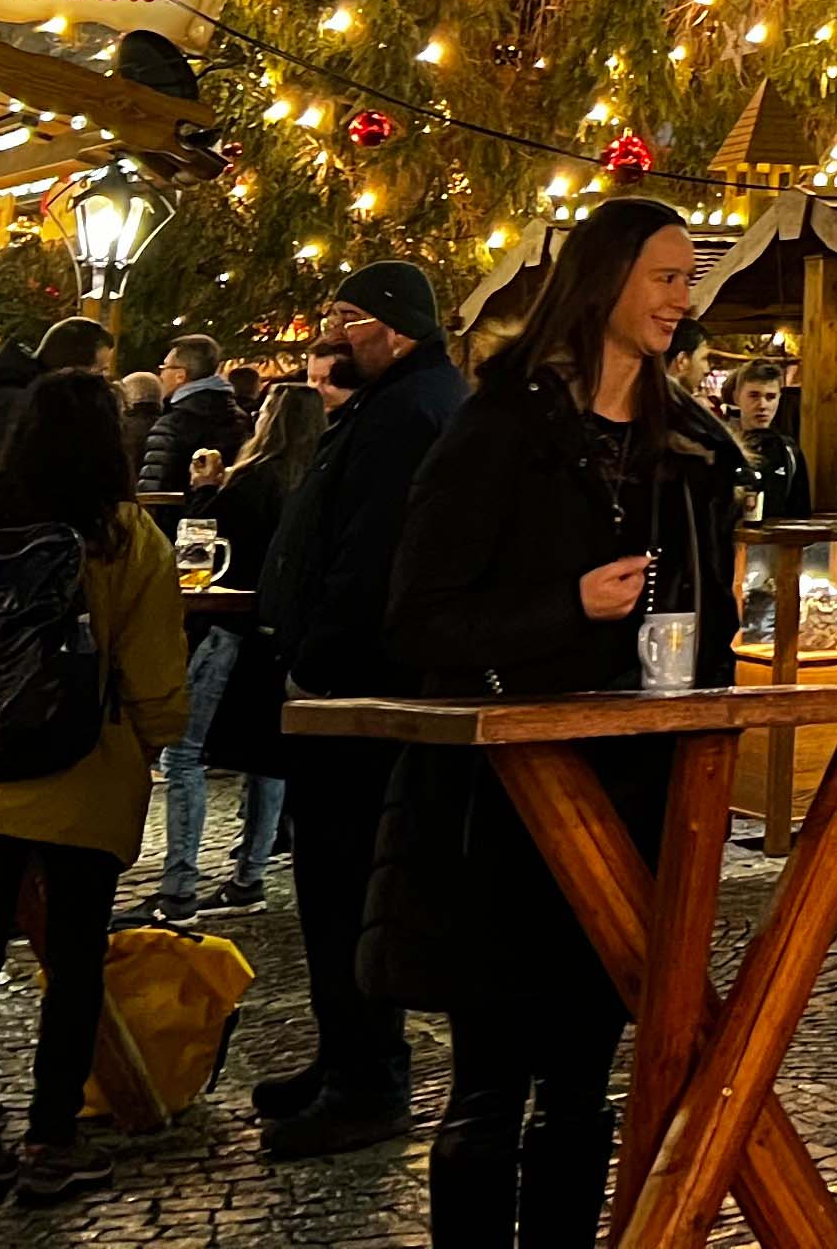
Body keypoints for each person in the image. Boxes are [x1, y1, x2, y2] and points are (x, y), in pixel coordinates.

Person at [369, 197, 735, 1249]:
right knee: (487, 1089)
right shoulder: (500, 430)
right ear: (607, 279)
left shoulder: (689, 451)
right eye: (667, 276)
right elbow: (419, 618)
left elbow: (708, 629)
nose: (683, 298)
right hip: (500, 814)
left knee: (581, 1088)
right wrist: (566, 607)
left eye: (689, 279)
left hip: (632, 799)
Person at [0, 367, 189, 1207]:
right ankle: (50, 1142)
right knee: (72, 965)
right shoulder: (128, 538)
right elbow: (155, 677)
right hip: (83, 778)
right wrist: (148, 743)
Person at [247, 259, 467, 1159]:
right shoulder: (392, 404)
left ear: (394, 326)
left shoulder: (410, 414)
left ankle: (366, 1077)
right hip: (350, 687)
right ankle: (345, 1052)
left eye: (347, 317)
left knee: (345, 885)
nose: (333, 334)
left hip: (360, 696)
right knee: (330, 884)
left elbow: (372, 557)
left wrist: (317, 664)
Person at [150, 377, 306, 921]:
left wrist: (203, 490)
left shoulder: (253, 480)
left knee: (184, 753)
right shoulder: (312, 484)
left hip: (227, 630)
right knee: (267, 759)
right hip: (279, 635)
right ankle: (250, 875)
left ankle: (178, 886)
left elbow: (199, 546)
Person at [0, 316, 111, 510]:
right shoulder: (25, 403)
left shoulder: (6, 391)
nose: (104, 381)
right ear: (74, 367)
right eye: (100, 371)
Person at [137, 335, 247, 493]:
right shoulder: (239, 418)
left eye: (164, 367)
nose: (161, 375)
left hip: (183, 508)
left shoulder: (172, 425)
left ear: (180, 375)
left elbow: (155, 493)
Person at [725, 357, 814, 524]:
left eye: (770, 397)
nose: (762, 405)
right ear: (736, 397)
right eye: (754, 396)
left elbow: (800, 514)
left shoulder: (789, 451)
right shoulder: (721, 447)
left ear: (779, 399)